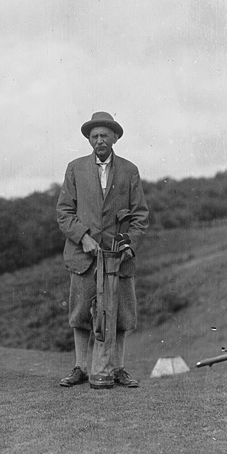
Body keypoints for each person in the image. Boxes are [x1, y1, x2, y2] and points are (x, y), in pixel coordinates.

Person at [56, 111, 149, 389]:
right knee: (81, 313)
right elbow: (63, 212)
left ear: (115, 138)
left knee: (121, 314)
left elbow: (140, 215)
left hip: (118, 259)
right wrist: (82, 237)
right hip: (83, 256)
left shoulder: (130, 170)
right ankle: (81, 368)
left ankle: (118, 368)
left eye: (104, 136)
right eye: (94, 136)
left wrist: (129, 245)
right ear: (89, 140)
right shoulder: (75, 168)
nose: (99, 141)